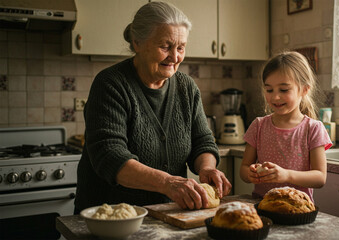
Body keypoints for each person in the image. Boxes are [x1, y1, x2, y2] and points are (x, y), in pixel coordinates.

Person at [75, 1, 231, 213]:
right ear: (137, 42)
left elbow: (202, 141)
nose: (175, 57)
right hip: (110, 217)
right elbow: (110, 155)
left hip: (168, 213)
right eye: (165, 46)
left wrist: (207, 168)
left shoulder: (187, 87)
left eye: (181, 48)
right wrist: (168, 183)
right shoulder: (111, 84)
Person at [240, 51, 332, 201]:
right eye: (269, 90)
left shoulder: (313, 129)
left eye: (283, 90)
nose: (275, 97)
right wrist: (250, 174)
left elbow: (320, 178)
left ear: (304, 89)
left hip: (297, 209)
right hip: (262, 205)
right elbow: (244, 169)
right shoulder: (258, 126)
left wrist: (286, 175)